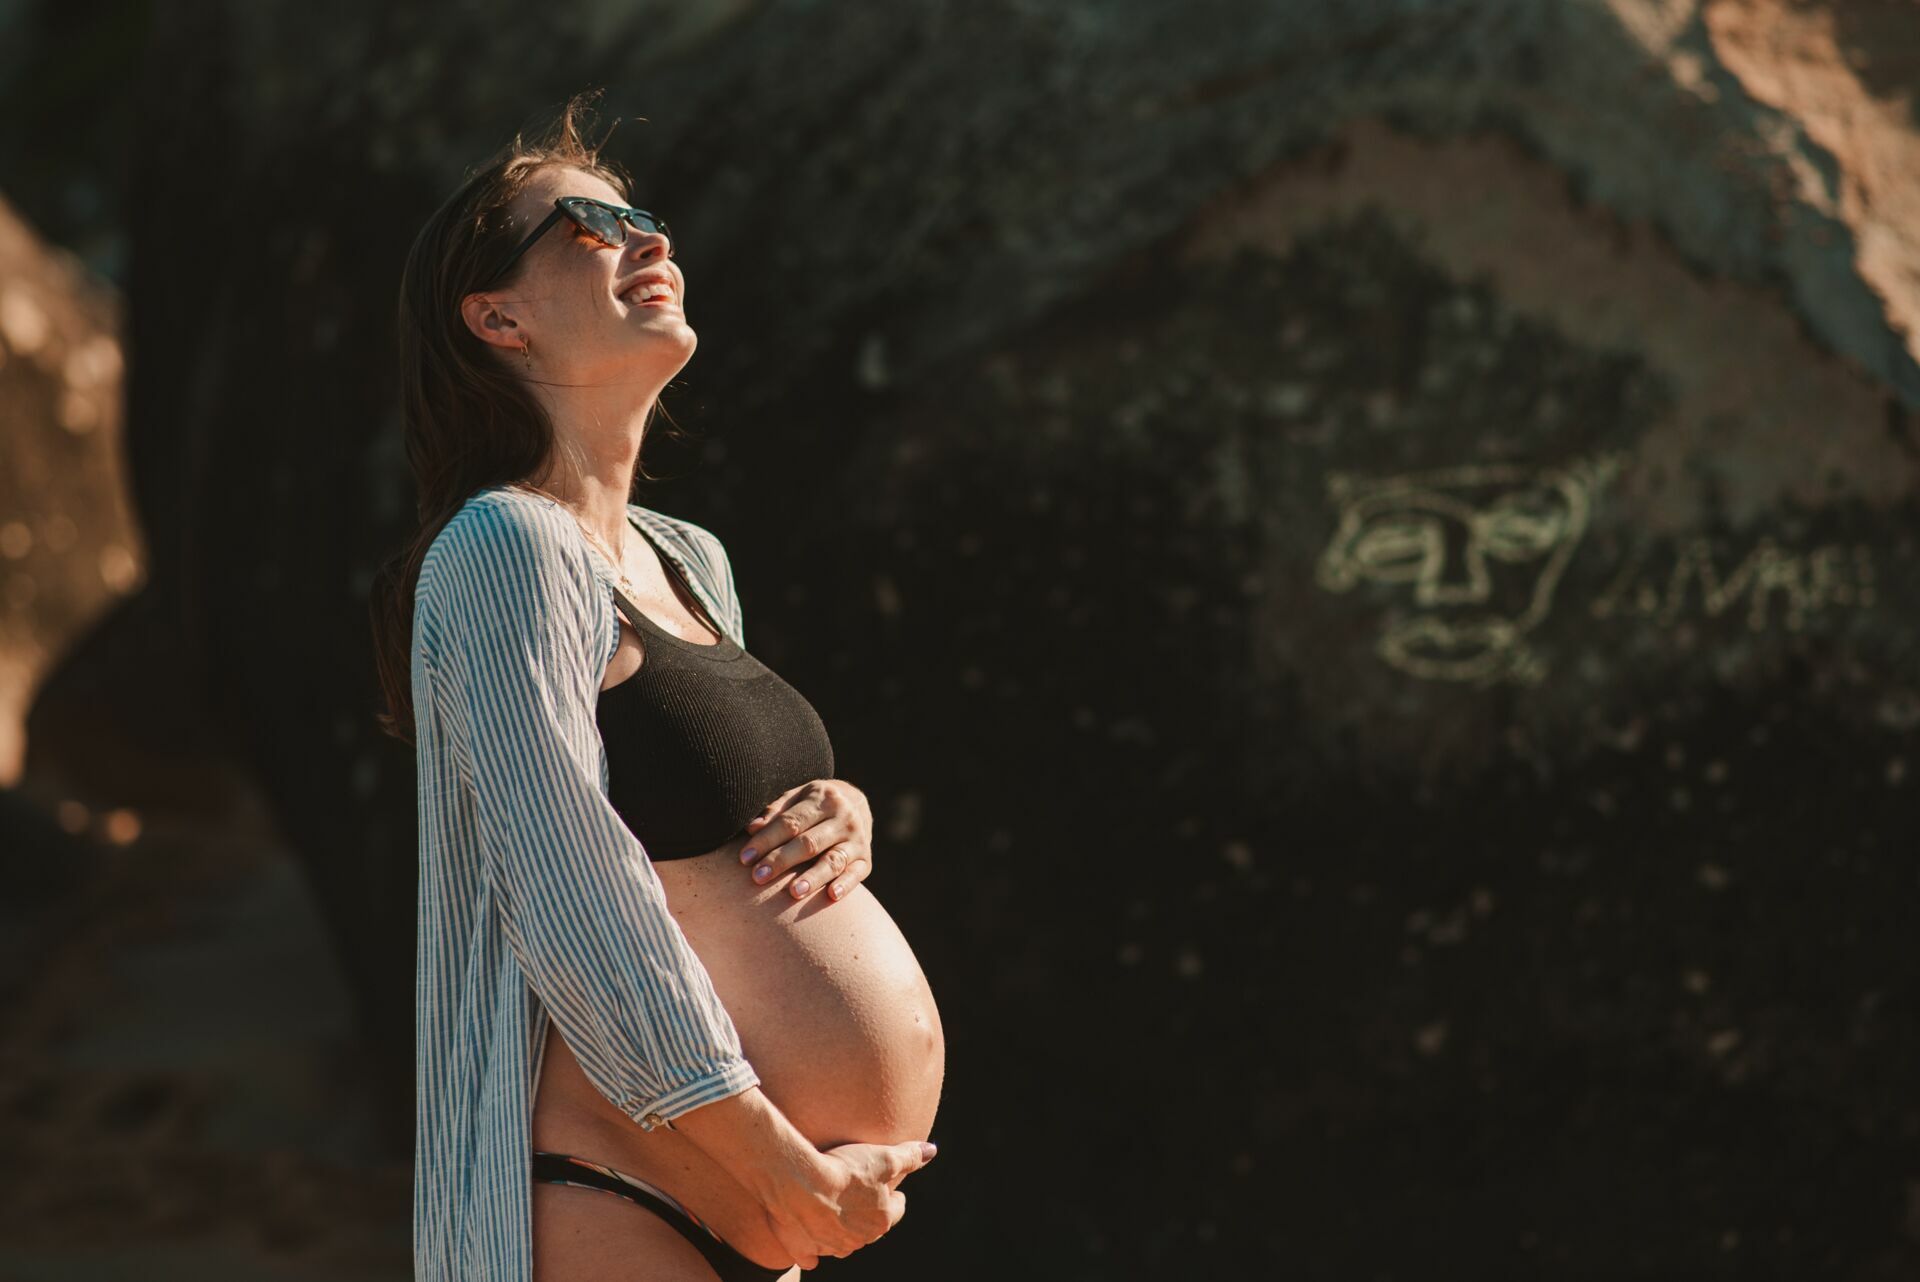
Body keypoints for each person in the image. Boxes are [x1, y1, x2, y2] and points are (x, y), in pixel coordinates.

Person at [369, 91, 945, 1282]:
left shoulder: (688, 559)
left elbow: (701, 809)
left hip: (767, 1197)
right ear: (498, 317)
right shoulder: (502, 547)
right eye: (593, 224)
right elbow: (565, 881)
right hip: (633, 1177)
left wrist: (836, 810)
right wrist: (771, 1160)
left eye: (646, 216)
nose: (650, 239)